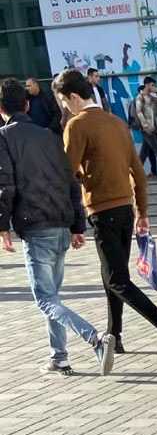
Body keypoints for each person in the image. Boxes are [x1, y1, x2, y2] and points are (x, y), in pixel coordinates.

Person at [52, 69, 157, 361]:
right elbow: (137, 171)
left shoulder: (77, 125)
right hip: (126, 208)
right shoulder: (117, 123)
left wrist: (76, 200)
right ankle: (115, 335)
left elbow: (67, 173)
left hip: (102, 210)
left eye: (63, 101)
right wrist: (142, 212)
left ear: (73, 97)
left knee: (117, 280)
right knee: (112, 275)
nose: (64, 107)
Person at [0, 80, 115, 377]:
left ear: (1, 109)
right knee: (53, 297)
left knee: (45, 299)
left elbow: (5, 186)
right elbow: (71, 182)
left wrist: (2, 227)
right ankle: (59, 357)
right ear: (27, 105)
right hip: (61, 225)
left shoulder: (4, 138)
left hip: (35, 227)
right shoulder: (50, 136)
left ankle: (96, 339)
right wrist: (77, 225)